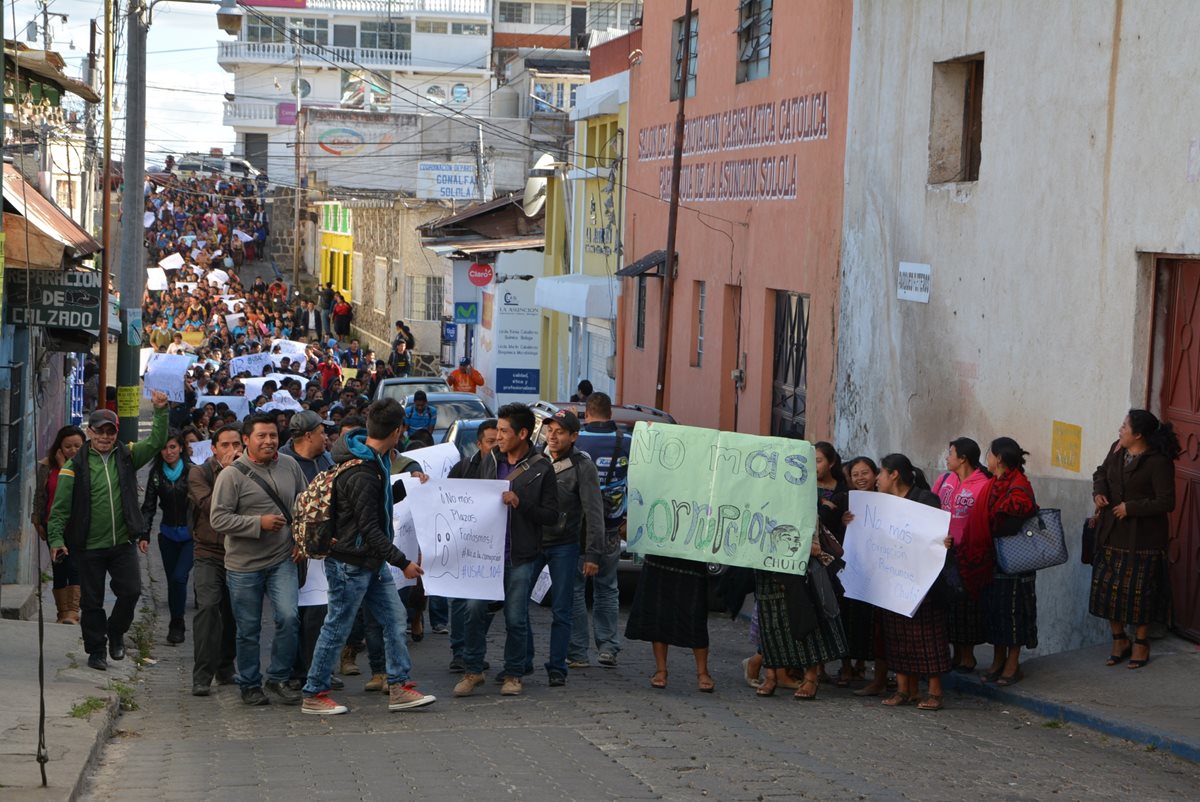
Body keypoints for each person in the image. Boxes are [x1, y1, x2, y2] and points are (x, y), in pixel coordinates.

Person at [300, 398, 437, 715]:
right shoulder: (363, 471)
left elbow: (377, 502)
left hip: (369, 562)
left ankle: (399, 686)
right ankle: (314, 693)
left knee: (395, 619)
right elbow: (370, 528)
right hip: (351, 563)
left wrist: (410, 487)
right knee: (337, 627)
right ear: (398, 430)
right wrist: (403, 562)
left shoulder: (372, 461)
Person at [47, 394, 170, 671]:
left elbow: (155, 442)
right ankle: (96, 650)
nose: (104, 436)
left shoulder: (127, 456)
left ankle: (115, 632)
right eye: (99, 431)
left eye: (110, 431)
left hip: (122, 543)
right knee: (92, 602)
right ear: (89, 432)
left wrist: (161, 411)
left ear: (116, 433)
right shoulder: (73, 467)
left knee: (130, 592)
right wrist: (56, 539)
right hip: (88, 546)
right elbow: (60, 510)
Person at [454, 403, 557, 698]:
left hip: (521, 555)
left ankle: (514, 674)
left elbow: (551, 514)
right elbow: (465, 494)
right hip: (486, 555)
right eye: (497, 431)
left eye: (503, 431)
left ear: (523, 433)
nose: (498, 436)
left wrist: (520, 502)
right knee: (473, 610)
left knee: (516, 617)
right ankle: (473, 671)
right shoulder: (489, 460)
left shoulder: (541, 468)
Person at [210, 414, 307, 706]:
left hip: (282, 560)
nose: (268, 441)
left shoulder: (290, 465)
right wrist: (257, 523)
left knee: (289, 618)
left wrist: (302, 541)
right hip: (244, 566)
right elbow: (218, 518)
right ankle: (250, 683)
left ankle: (278, 677)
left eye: (273, 436)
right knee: (249, 629)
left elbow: (304, 504)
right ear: (247, 440)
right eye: (262, 436)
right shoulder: (232, 475)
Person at [1090, 410, 1179, 670]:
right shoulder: (1116, 449)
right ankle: (1119, 640)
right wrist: (1099, 493)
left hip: (1143, 541)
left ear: (1138, 434)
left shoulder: (1158, 461)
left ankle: (1141, 642)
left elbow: (1167, 501)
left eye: (1124, 426)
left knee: (1139, 594)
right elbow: (1101, 473)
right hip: (1110, 534)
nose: (1120, 430)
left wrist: (1131, 508)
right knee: (1107, 591)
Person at [524, 410, 604, 688]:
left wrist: (593, 554)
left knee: (562, 609)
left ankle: (557, 666)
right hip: (532, 543)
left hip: (565, 545)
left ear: (573, 436)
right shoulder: (534, 459)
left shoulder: (583, 466)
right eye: (550, 430)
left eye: (560, 431)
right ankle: (523, 660)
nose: (553, 436)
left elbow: (594, 513)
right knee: (518, 603)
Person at [875, 453, 951, 711]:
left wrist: (943, 540)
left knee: (926, 635)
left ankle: (934, 692)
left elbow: (934, 534)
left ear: (894, 474)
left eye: (880, 473)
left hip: (921, 580)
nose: (877, 479)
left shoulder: (924, 499)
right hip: (892, 577)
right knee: (897, 635)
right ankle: (903, 689)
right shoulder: (880, 504)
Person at [278, 411, 338, 692]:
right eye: (321, 432)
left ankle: (318, 668)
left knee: (321, 613)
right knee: (292, 616)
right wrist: (298, 540)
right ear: (308, 436)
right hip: (293, 550)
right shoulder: (283, 463)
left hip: (324, 551)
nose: (326, 437)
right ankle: (293, 669)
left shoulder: (327, 460)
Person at [569, 392, 630, 669]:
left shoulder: (576, 441)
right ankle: (608, 647)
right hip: (612, 527)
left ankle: (578, 651)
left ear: (587, 413)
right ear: (610, 414)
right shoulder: (626, 442)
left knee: (576, 590)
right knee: (607, 588)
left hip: (580, 529)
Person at [753, 523, 847, 701]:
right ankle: (771, 675)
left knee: (802, 611)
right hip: (763, 547)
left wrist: (810, 539)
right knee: (769, 616)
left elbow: (806, 507)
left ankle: (811, 677)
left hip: (795, 546)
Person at [974, 437, 1038, 685]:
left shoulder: (1018, 486)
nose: (987, 459)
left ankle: (1013, 663)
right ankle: (998, 659)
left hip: (1016, 561)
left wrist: (990, 523)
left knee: (1014, 613)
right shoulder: (995, 483)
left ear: (999, 458)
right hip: (995, 559)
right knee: (996, 611)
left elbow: (1014, 520)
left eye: (989, 454)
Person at [188, 425, 241, 696]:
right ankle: (202, 674)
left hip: (240, 553)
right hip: (208, 552)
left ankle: (225, 667)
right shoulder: (200, 472)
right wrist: (229, 474)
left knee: (232, 613)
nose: (232, 451)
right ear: (214, 448)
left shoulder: (250, 470)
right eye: (225, 445)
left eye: (236, 445)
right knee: (208, 608)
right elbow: (212, 507)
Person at [932, 438, 991, 673]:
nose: (947, 458)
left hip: (968, 555)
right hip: (942, 552)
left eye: (951, 453)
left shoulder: (983, 484)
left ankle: (967, 655)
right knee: (948, 603)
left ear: (963, 458)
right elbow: (930, 508)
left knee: (967, 604)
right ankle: (954, 654)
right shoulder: (944, 480)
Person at [446, 419, 498, 673]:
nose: (496, 446)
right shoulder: (462, 469)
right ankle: (460, 651)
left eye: (499, 440)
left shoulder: (505, 469)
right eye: (491, 442)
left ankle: (473, 649)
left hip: (491, 547)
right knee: (459, 599)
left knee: (484, 602)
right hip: (463, 544)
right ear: (479, 444)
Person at [140, 431, 195, 645]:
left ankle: (178, 623)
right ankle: (175, 621)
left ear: (181, 448)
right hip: (168, 535)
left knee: (180, 577)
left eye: (173, 447)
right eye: (164, 448)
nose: (169, 452)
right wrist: (144, 534)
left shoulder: (192, 472)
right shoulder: (156, 474)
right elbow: (149, 506)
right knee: (173, 581)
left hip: (190, 536)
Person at [842, 457, 888, 697]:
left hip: (882, 570)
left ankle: (877, 673)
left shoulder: (888, 499)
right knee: (852, 616)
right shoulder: (849, 502)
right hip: (856, 568)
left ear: (876, 474)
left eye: (865, 473)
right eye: (855, 474)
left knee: (877, 622)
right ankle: (850, 666)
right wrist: (843, 522)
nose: (861, 478)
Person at [32, 426, 86, 625]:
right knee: (59, 568)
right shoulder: (47, 466)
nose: (73, 450)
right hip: (51, 524)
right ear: (59, 448)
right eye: (68, 446)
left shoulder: (86, 467)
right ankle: (62, 612)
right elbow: (40, 495)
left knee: (74, 567)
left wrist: (67, 467)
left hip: (76, 525)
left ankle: (73, 611)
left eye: (77, 446)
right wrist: (36, 519)